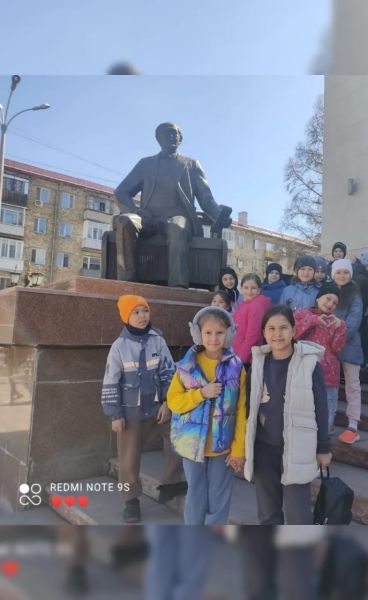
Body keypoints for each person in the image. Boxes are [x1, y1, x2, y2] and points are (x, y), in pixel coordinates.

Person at [113, 122, 232, 288]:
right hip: (148, 219)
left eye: (173, 133)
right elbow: (121, 192)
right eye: (165, 133)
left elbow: (206, 199)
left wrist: (219, 215)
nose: (170, 136)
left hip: (178, 218)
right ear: (158, 139)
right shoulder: (145, 164)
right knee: (125, 220)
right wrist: (135, 210)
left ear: (180, 138)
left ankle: (177, 287)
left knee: (177, 227)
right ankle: (127, 283)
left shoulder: (191, 165)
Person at [101, 295, 184, 523]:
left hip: (159, 408)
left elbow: (169, 372)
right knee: (128, 459)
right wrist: (115, 414)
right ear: (126, 316)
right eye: (135, 312)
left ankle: (170, 484)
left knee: (180, 442)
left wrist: (167, 403)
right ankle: (130, 501)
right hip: (131, 412)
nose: (142, 316)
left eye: (144, 311)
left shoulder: (158, 341)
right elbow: (110, 381)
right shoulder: (119, 346)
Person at [244, 306, 331, 524]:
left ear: (293, 330)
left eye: (283, 328)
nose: (277, 334)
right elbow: (248, 407)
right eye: (271, 328)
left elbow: (321, 407)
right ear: (264, 333)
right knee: (267, 512)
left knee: (298, 513)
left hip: (298, 447)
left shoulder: (309, 363)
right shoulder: (258, 363)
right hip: (264, 447)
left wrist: (323, 447)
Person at [167, 306, 246, 524]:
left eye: (219, 332)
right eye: (208, 332)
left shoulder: (237, 367)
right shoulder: (186, 366)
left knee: (219, 496)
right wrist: (201, 393)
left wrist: (239, 449)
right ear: (198, 334)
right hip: (191, 443)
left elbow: (241, 409)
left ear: (229, 333)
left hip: (223, 446)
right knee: (195, 493)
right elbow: (174, 402)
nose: (213, 338)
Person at [294, 283, 348, 434]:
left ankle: (325, 436)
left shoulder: (336, 322)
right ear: (318, 298)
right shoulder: (302, 314)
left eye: (335, 303)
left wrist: (341, 328)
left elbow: (337, 347)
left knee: (328, 406)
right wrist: (313, 321)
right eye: (328, 299)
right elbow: (293, 334)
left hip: (329, 373)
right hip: (304, 372)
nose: (330, 304)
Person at [331, 259, 364, 444]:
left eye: (345, 272)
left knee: (352, 385)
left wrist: (339, 335)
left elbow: (354, 319)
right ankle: (329, 419)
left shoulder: (355, 294)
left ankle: (353, 424)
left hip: (349, 344)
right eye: (338, 272)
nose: (342, 276)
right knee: (331, 384)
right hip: (329, 346)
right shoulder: (329, 291)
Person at [233, 274, 272, 367]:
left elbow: (253, 335)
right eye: (246, 288)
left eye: (253, 288)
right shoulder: (244, 304)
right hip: (238, 351)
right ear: (241, 289)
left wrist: (241, 357)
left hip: (246, 357)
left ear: (259, 290)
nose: (249, 292)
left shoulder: (255, 306)